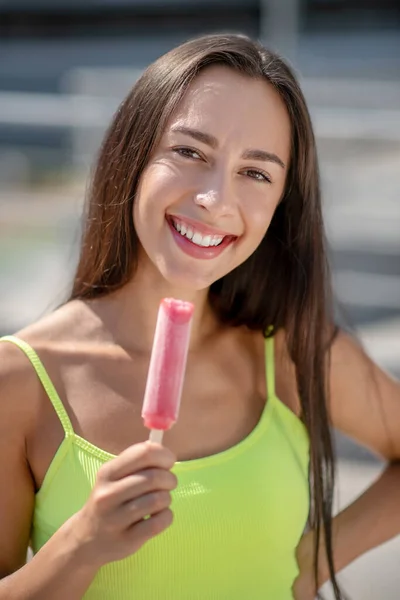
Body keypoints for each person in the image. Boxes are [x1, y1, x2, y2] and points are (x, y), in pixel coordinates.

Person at [0, 33, 399, 600]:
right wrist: (80, 544)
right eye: (190, 152)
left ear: (281, 204)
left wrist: (307, 563)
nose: (216, 198)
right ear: (133, 154)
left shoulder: (287, 349)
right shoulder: (20, 382)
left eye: (256, 173)